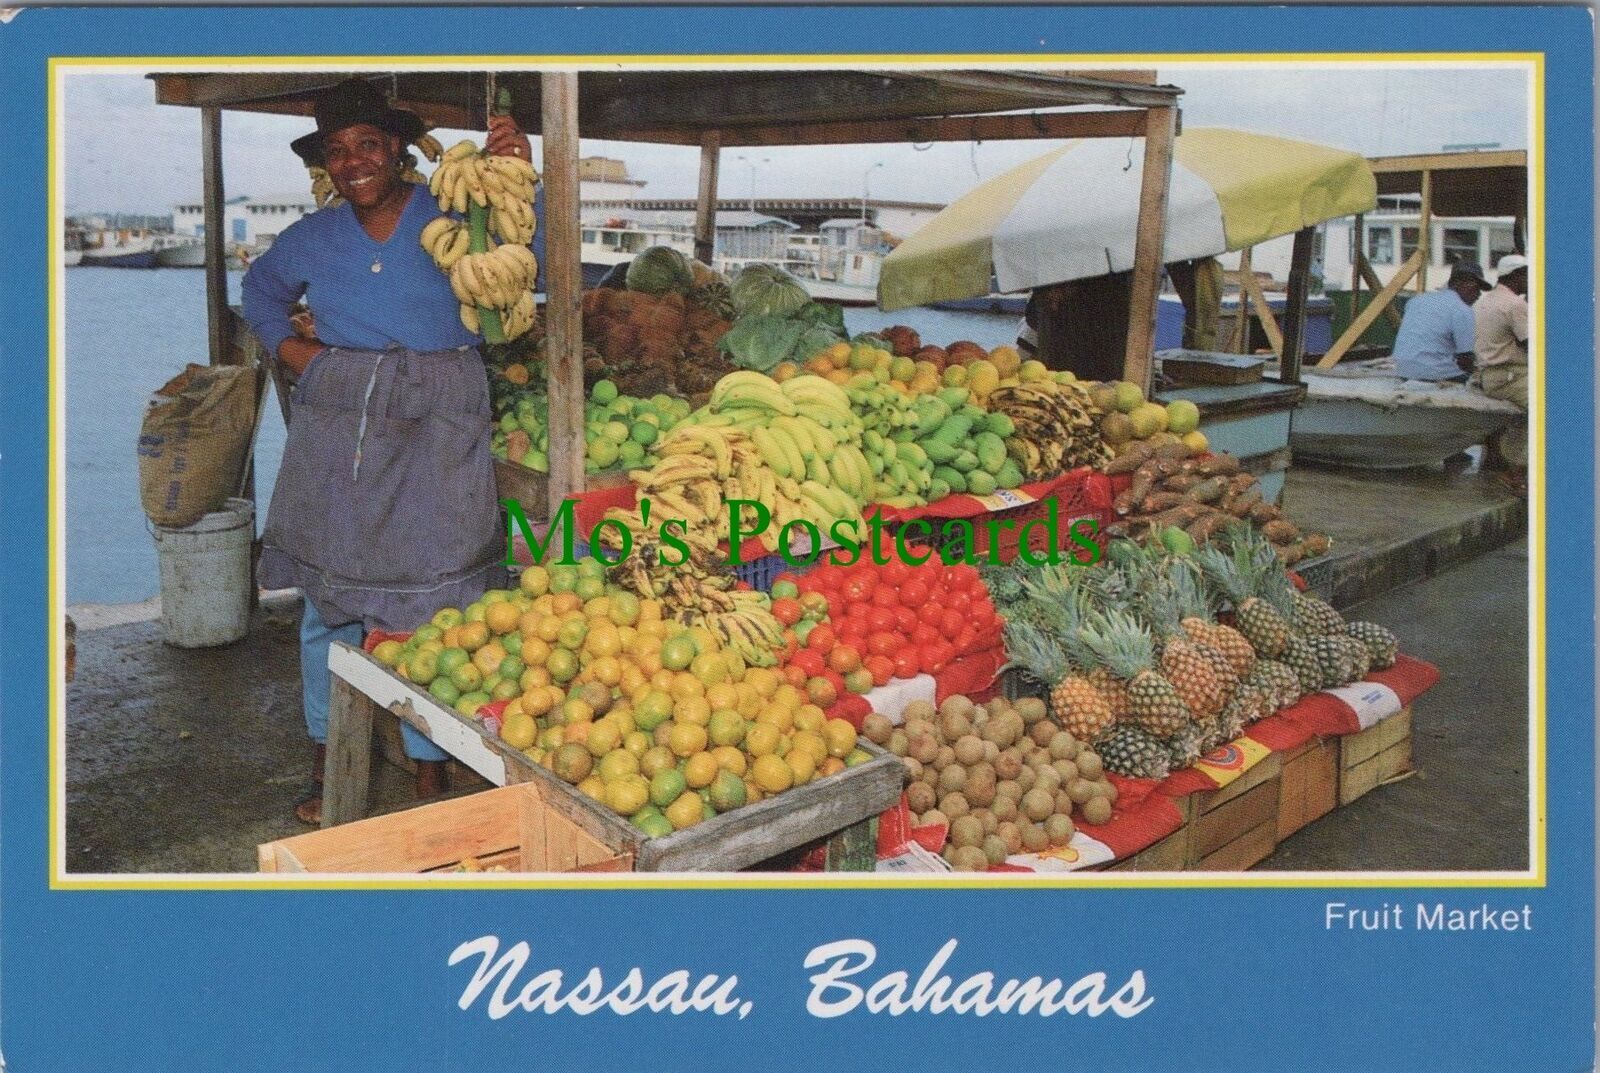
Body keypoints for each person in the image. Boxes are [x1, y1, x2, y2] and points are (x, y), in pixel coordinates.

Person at [242, 79, 532, 824]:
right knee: (328, 604)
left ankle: (429, 771)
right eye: (337, 152)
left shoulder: (454, 217)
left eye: (367, 145)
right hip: (342, 419)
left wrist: (516, 166)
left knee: (436, 601)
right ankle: (324, 754)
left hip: (441, 416)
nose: (354, 163)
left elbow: (519, 258)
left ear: (397, 148)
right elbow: (259, 291)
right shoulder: (314, 236)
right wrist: (295, 350)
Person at [1473, 253, 1530, 489]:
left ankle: (1506, 459)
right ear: (1516, 275)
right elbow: (1532, 344)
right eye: (1526, 275)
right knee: (1551, 410)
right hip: (1510, 376)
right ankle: (1517, 471)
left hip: (1488, 375)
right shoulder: (1515, 304)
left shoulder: (1483, 301)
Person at [1392, 262, 1491, 382]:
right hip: (1434, 374)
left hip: (1403, 370)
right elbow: (1465, 360)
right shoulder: (1462, 309)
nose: (1479, 294)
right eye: (1476, 287)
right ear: (1458, 284)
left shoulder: (1416, 301)